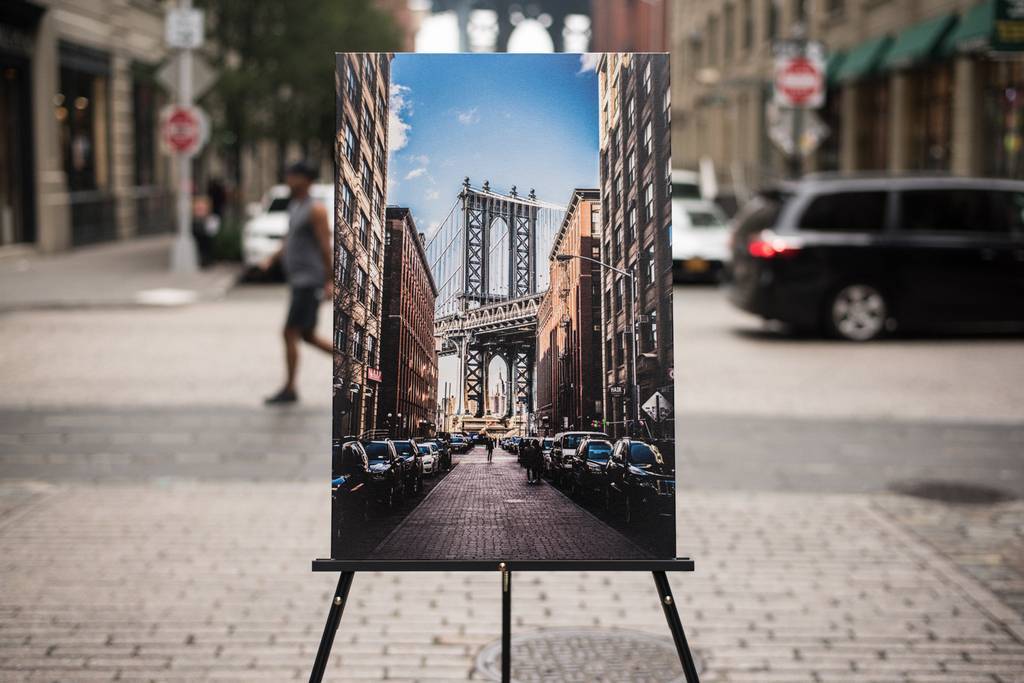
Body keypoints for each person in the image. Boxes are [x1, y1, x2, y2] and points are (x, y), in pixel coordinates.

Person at [261, 161, 334, 405]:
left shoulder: (317, 209)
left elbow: (326, 246)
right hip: (298, 280)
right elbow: (289, 237)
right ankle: (345, 360)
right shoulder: (295, 206)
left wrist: (330, 280)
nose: (288, 178)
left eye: (293, 175)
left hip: (309, 281)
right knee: (308, 336)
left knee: (290, 332)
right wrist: (272, 257)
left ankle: (290, 389)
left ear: (306, 179)